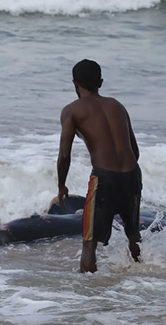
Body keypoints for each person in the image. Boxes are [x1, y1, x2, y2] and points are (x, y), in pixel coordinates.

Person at [57, 59, 142, 273]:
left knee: (89, 241)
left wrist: (61, 185)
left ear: (75, 84)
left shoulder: (72, 111)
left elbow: (64, 154)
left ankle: (88, 294)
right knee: (133, 234)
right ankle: (144, 280)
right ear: (101, 82)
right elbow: (135, 150)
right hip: (132, 174)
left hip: (104, 178)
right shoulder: (117, 105)